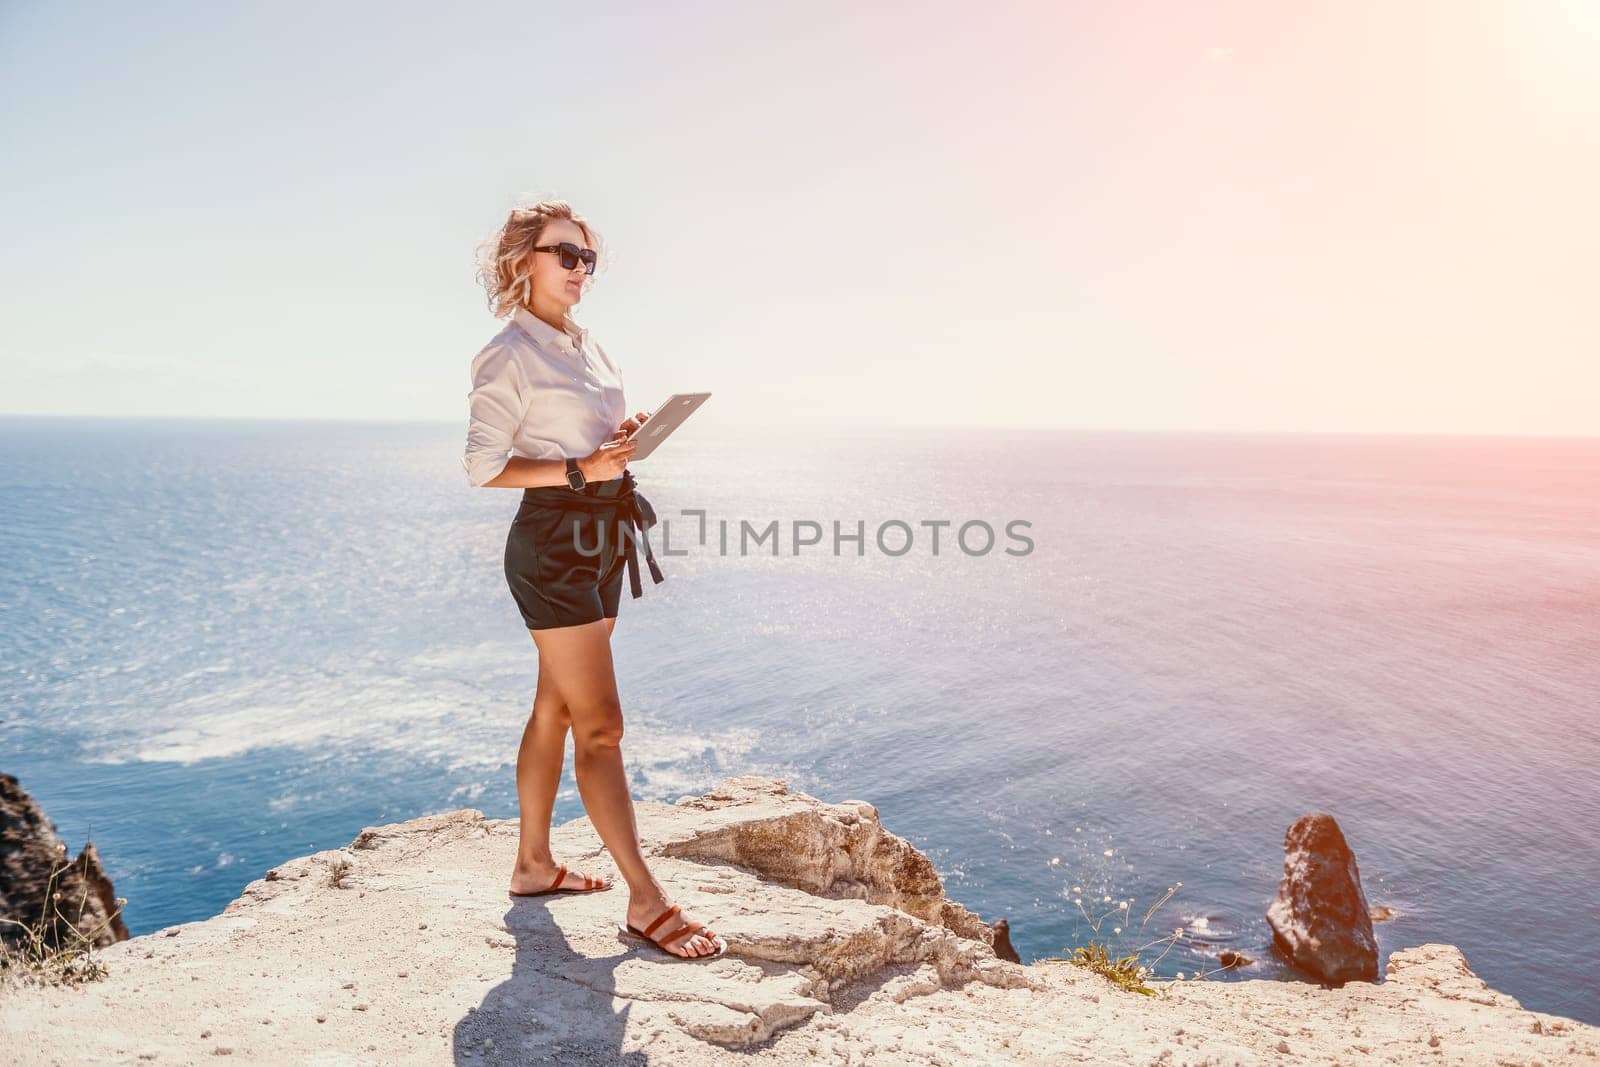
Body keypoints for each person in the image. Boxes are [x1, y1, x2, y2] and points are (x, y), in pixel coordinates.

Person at [460, 199, 726, 961]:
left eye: (587, 258)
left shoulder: (589, 347)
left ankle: (533, 864)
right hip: (551, 546)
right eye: (565, 254)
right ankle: (647, 899)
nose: (581, 270)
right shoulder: (506, 353)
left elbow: (582, 443)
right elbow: (482, 467)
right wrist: (581, 466)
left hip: (602, 537)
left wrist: (616, 441)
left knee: (557, 704)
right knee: (601, 725)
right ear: (523, 262)